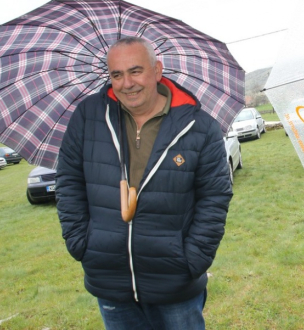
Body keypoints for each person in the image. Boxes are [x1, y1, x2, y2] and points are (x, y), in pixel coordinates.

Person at [56, 36, 233, 329]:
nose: (127, 83)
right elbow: (68, 181)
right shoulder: (88, 117)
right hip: (109, 277)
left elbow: (215, 195)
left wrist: (193, 258)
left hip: (174, 279)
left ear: (157, 70)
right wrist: (81, 243)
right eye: (116, 74)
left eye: (135, 71)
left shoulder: (199, 126)